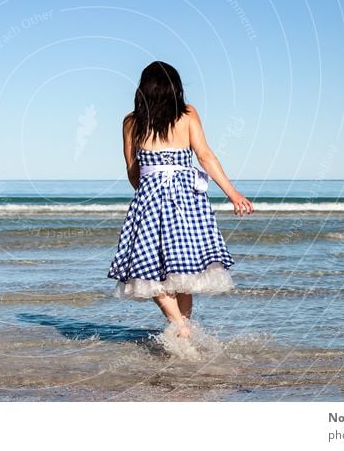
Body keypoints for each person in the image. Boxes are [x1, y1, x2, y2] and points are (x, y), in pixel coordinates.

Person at [107, 61, 254, 339]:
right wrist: (232, 193)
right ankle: (182, 327)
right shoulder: (187, 113)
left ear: (143, 89)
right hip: (187, 199)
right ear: (176, 88)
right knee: (183, 268)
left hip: (149, 198)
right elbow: (205, 155)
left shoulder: (131, 121)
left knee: (148, 267)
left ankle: (180, 327)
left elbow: (131, 168)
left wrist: (146, 191)